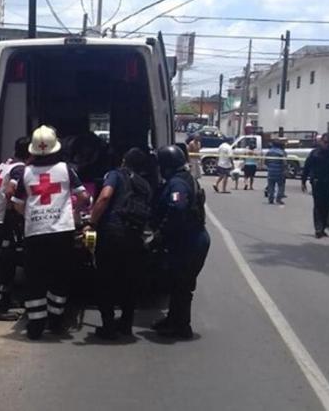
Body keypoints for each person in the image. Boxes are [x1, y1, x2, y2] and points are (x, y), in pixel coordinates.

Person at [12, 125, 89, 340]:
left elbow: (17, 204)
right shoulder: (66, 169)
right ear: (56, 148)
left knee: (35, 279)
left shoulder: (25, 173)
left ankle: (35, 326)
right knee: (59, 277)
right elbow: (83, 197)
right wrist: (73, 213)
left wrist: (32, 215)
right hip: (61, 232)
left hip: (35, 233)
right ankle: (55, 322)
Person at [87, 148, 152, 340]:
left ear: (124, 161)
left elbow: (105, 196)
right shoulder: (145, 185)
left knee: (105, 280)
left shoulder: (115, 175)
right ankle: (126, 324)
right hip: (134, 237)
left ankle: (108, 325)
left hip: (112, 234)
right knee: (129, 282)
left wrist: (91, 222)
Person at [152, 145, 210, 339]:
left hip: (190, 241)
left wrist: (161, 233)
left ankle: (182, 327)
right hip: (189, 239)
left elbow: (177, 208)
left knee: (182, 285)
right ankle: (173, 319)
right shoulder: (183, 178)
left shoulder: (178, 184)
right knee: (176, 283)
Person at [0, 137, 29, 321]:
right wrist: (15, 209)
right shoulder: (19, 169)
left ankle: (4, 301)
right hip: (1, 221)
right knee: (5, 265)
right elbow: (10, 191)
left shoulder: (6, 164)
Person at [302, 132, 329, 238]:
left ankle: (323, 228)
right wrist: (303, 181)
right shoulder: (315, 153)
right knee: (318, 205)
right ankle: (318, 228)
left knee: (327, 206)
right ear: (321, 141)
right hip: (317, 183)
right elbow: (307, 167)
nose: (327, 144)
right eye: (325, 142)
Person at [266, 140, 288, 205]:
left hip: (271, 171)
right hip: (279, 172)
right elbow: (284, 163)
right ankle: (278, 199)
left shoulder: (269, 152)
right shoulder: (281, 152)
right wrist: (285, 170)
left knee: (271, 186)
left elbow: (266, 161)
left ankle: (271, 199)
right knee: (281, 186)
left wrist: (270, 166)